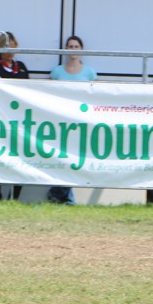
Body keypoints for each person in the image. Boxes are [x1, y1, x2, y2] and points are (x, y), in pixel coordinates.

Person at [48, 36, 96, 204]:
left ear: (81, 49)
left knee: (74, 158)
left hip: (80, 120)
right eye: (70, 46)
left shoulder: (90, 73)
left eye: (76, 46)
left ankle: (58, 192)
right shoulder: (57, 72)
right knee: (61, 157)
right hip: (60, 120)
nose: (73, 49)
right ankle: (63, 195)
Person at [0, 32, 28, 200]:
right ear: (0, 48)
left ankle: (15, 196)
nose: (10, 51)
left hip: (20, 120)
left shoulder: (22, 66)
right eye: (6, 47)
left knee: (20, 157)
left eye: (13, 47)